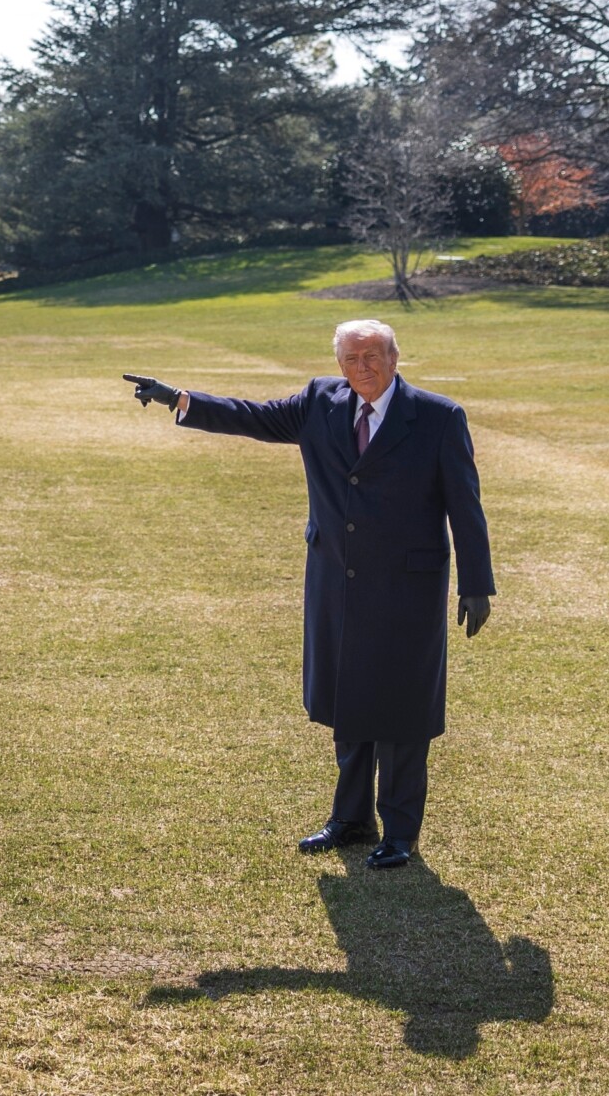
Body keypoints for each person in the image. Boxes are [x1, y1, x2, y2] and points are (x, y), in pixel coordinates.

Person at [125, 319, 493, 871]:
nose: (362, 367)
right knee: (350, 699)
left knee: (401, 710)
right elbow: (254, 416)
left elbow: (464, 503)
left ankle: (399, 830)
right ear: (339, 363)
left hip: (407, 586)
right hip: (336, 580)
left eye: (372, 355)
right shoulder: (321, 399)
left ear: (395, 356)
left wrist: (477, 582)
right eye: (351, 358)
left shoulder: (439, 416)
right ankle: (350, 820)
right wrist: (182, 399)